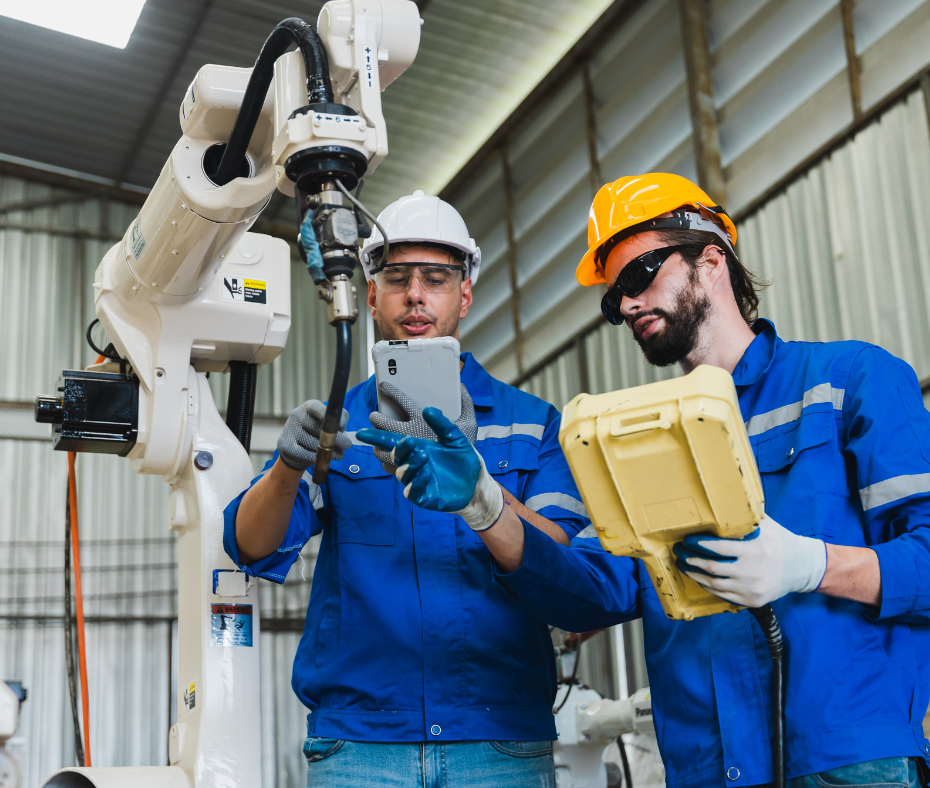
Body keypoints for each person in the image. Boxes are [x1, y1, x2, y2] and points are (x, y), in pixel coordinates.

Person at [359, 174, 930, 788]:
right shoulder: (638, 439)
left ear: (711, 260)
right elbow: (591, 589)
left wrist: (812, 566)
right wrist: (487, 506)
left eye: (638, 276)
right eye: (614, 299)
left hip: (846, 763)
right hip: (706, 769)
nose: (626, 306)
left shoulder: (848, 381)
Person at [223, 190, 589, 788]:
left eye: (436, 278)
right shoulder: (339, 425)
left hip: (498, 742)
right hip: (362, 746)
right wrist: (287, 465)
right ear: (370, 293)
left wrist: (481, 489)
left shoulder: (531, 422)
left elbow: (567, 563)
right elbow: (252, 546)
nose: (416, 294)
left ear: (464, 294)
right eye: (397, 277)